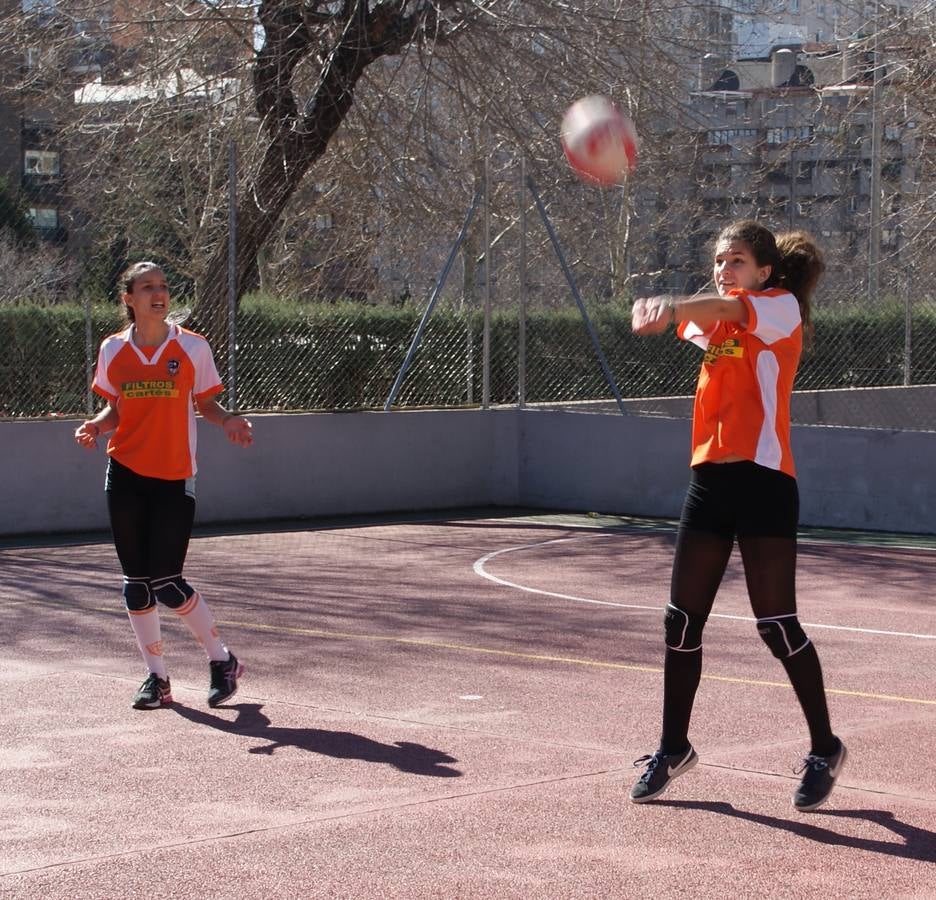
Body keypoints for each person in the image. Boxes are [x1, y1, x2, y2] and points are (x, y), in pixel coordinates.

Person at [628, 220, 845, 812]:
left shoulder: (778, 311)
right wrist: (660, 313)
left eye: (739, 260)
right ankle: (673, 747)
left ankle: (825, 747)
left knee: (776, 624)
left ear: (766, 272)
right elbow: (703, 317)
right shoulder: (721, 318)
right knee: (680, 621)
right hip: (710, 478)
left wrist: (672, 305)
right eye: (721, 260)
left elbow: (722, 308)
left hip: (765, 481)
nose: (726, 269)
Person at [74, 262, 253, 711]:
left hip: (174, 476)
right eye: (147, 287)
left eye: (163, 286)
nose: (159, 293)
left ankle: (222, 661)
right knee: (136, 583)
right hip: (125, 473)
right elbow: (116, 409)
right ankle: (157, 679)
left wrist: (228, 419)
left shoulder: (192, 347)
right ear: (128, 299)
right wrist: (96, 426)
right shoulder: (113, 349)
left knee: (167, 582)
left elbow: (206, 404)